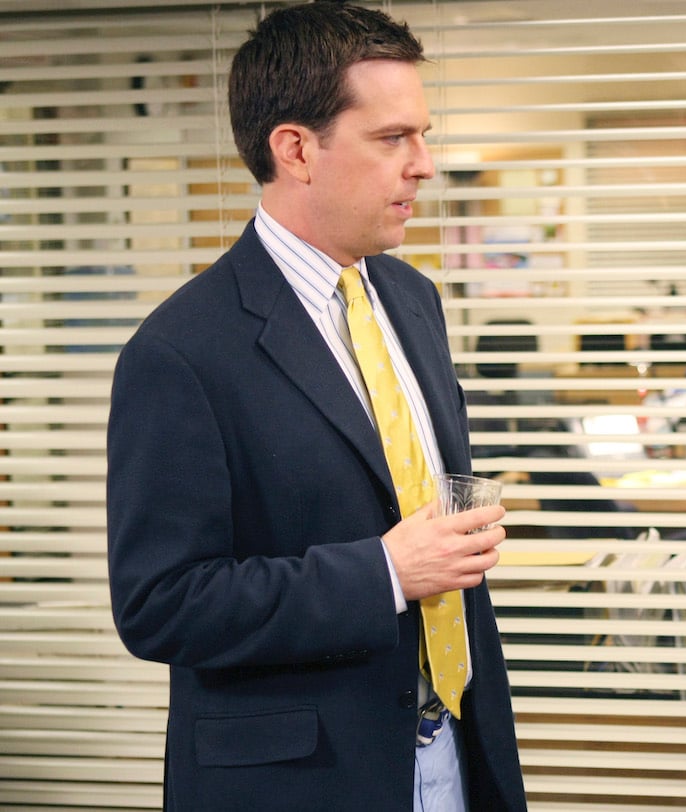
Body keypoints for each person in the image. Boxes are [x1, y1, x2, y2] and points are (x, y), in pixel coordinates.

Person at [106, 3, 526, 810]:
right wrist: (385, 573)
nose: (425, 165)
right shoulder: (180, 352)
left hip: (454, 747)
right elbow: (161, 606)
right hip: (304, 782)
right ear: (296, 150)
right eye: (392, 138)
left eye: (424, 135)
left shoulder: (413, 299)